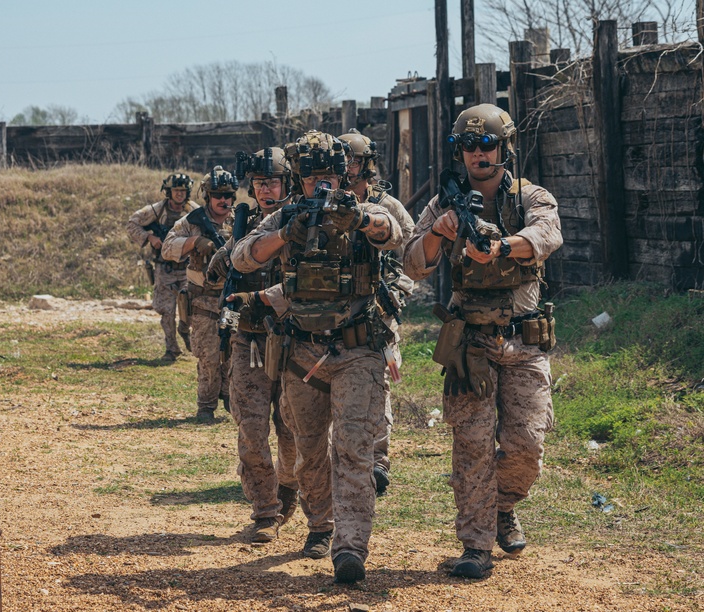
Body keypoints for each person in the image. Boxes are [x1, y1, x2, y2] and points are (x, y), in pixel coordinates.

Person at [229, 130, 404, 582]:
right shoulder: (287, 215)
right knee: (309, 453)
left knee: (354, 449)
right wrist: (285, 233)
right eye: (312, 178)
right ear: (299, 180)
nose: (322, 185)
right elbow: (242, 259)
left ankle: (351, 547)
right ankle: (321, 526)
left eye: (330, 175)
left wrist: (359, 218)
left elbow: (393, 233)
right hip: (300, 353)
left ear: (345, 171)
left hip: (357, 348)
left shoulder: (365, 209)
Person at [402, 103, 562, 579]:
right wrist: (439, 232)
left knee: (526, 447)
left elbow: (547, 234)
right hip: (470, 344)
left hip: (524, 340)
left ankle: (502, 508)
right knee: (471, 445)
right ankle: (475, 545)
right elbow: (413, 262)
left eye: (486, 144)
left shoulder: (530, 196)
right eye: (467, 146)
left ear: (504, 147)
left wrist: (500, 245)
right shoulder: (444, 202)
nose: (477, 153)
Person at [206, 147, 303, 543]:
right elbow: (219, 276)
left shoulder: (300, 222)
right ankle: (264, 511)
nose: (265, 190)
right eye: (259, 183)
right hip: (249, 340)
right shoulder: (245, 227)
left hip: (295, 339)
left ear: (287, 183)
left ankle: (289, 491)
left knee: (292, 429)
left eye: (273, 182)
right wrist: (224, 257)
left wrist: (265, 298)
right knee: (250, 427)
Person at [338, 129, 417, 498]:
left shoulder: (386, 203)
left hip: (380, 310)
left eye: (353, 160)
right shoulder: (329, 201)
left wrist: (397, 288)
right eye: (343, 161)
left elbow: (413, 250)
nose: (348, 167)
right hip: (339, 310)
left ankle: (378, 461)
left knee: (381, 384)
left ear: (366, 163)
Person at [161, 166, 237, 421]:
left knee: (234, 353)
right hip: (203, 302)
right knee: (208, 357)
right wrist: (194, 243)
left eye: (228, 195)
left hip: (233, 301)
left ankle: (229, 397)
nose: (223, 201)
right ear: (208, 196)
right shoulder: (192, 221)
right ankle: (206, 406)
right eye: (217, 195)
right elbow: (167, 248)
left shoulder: (239, 220)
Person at [125, 173, 199, 361]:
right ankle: (171, 349)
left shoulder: (194, 211)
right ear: (169, 191)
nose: (180, 194)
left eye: (183, 191)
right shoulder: (157, 210)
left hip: (187, 268)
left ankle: (184, 330)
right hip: (164, 268)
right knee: (166, 311)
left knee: (189, 308)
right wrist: (150, 238)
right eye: (176, 190)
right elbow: (132, 223)